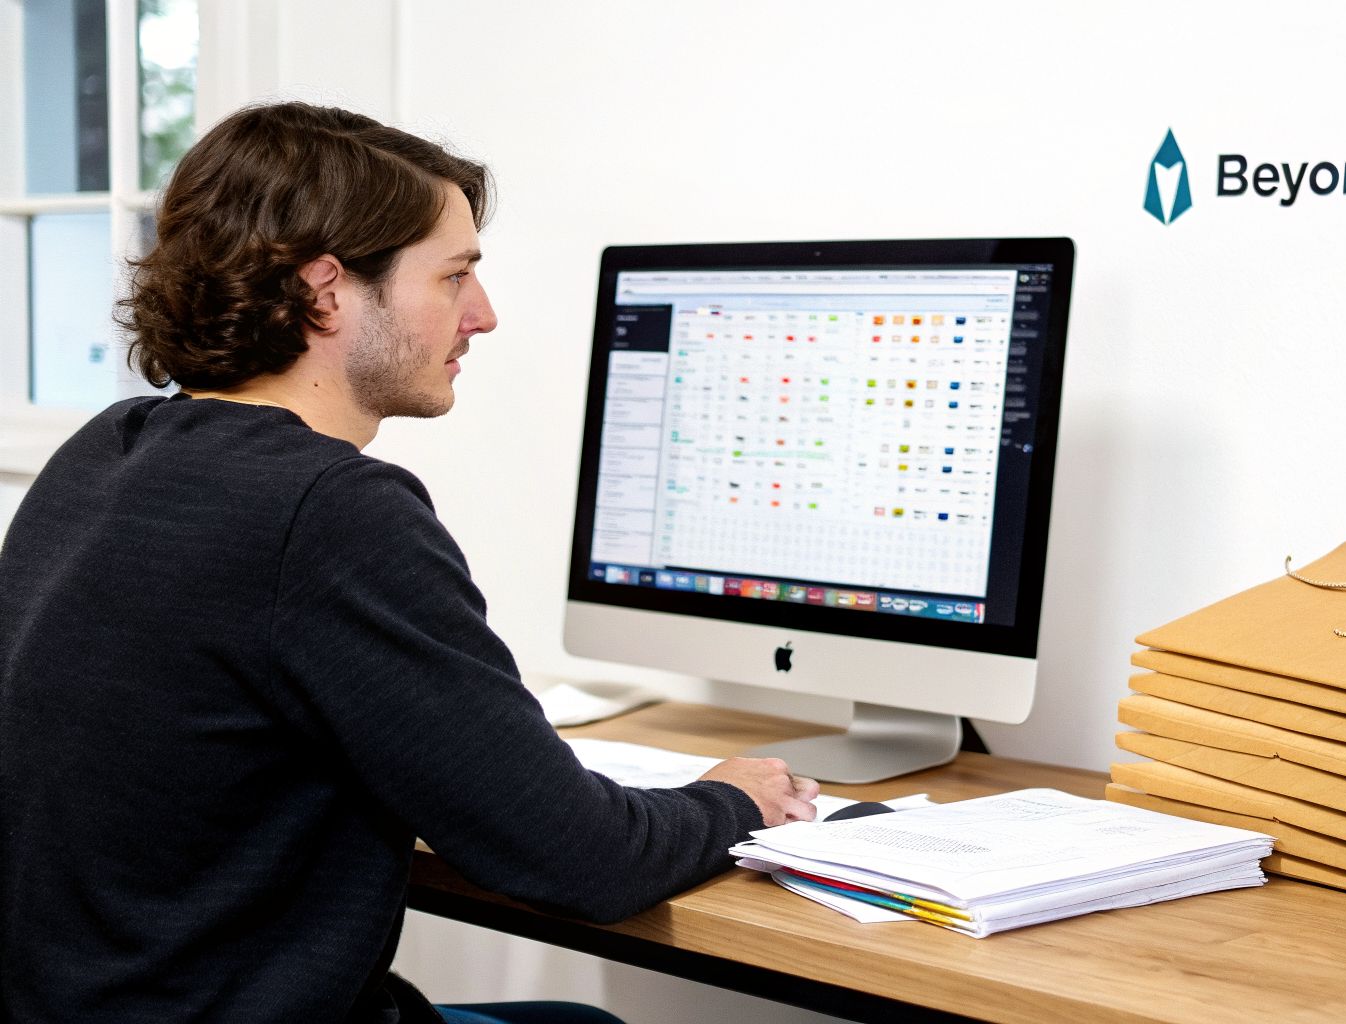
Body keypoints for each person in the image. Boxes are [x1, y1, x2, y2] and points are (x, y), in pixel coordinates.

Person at [0, 101, 818, 1024]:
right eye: (455, 275)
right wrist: (731, 800)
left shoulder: (108, 449)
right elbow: (583, 859)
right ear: (326, 290)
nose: (484, 316)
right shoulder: (326, 509)